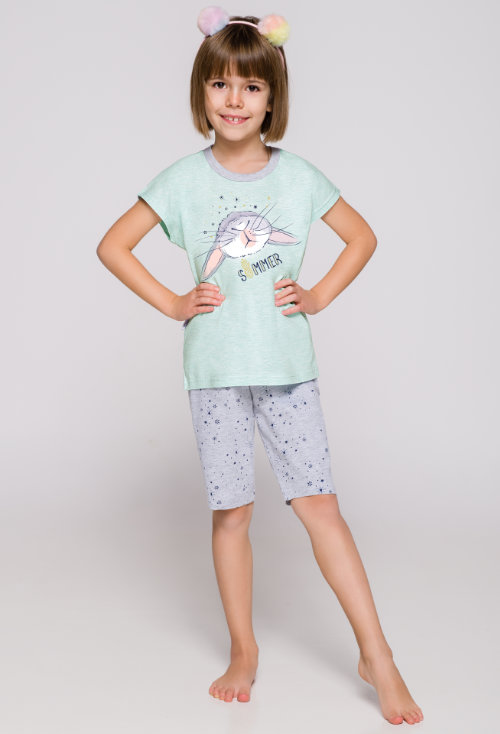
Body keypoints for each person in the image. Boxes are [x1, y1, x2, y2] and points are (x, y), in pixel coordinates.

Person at [96, 6, 423, 725]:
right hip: (215, 374)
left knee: (320, 507)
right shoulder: (181, 180)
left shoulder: (298, 177)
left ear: (273, 97)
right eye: (219, 84)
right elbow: (113, 245)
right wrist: (173, 302)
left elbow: (361, 238)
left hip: (286, 369)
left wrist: (319, 295)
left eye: (250, 86)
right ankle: (243, 650)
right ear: (201, 93)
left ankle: (378, 655)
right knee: (233, 513)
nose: (234, 100)